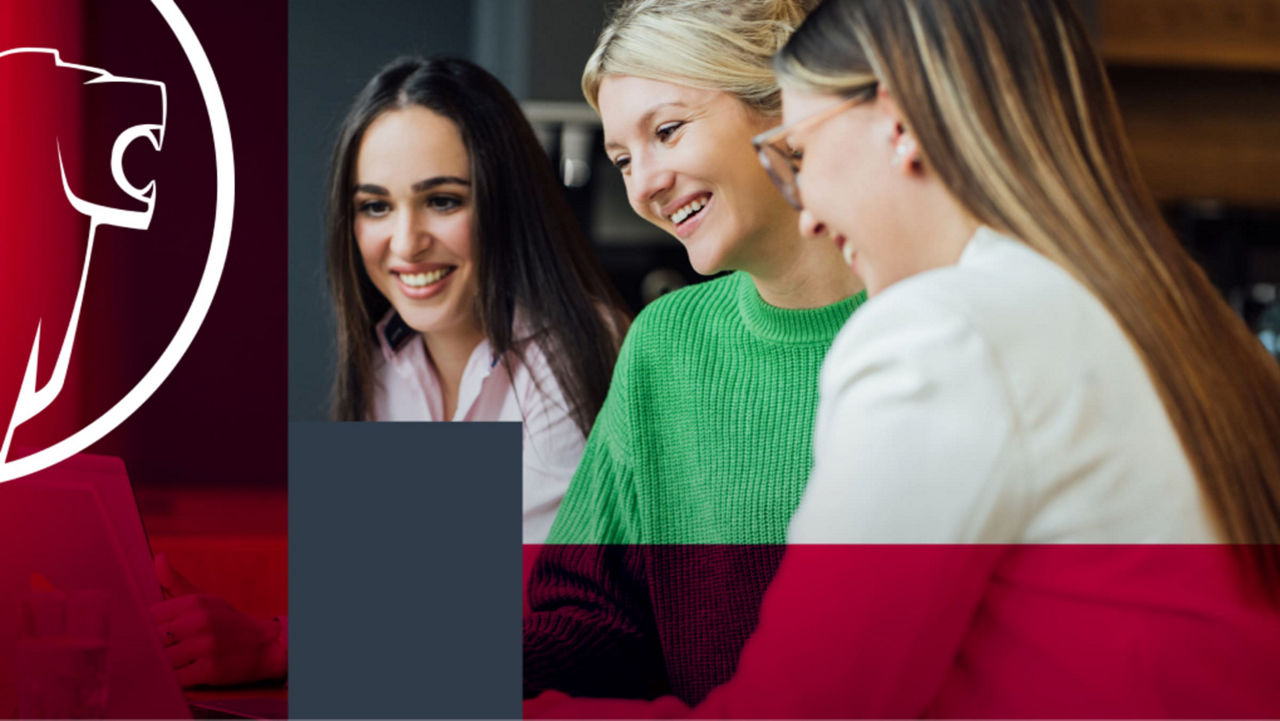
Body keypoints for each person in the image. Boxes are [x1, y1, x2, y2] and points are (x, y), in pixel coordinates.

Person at [527, 0, 1280, 717]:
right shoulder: (1141, 311)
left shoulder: (940, 334)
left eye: (804, 149)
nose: (810, 202)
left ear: (895, 122)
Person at [523, 0, 866, 705]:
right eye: (622, 158)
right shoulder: (667, 341)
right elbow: (594, 621)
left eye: (668, 131)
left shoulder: (939, 327)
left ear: (781, 102)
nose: (644, 184)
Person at [326, 57, 629, 542]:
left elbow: (510, 604)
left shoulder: (569, 356)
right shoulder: (383, 365)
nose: (405, 243)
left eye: (443, 200)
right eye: (376, 206)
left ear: (506, 202)